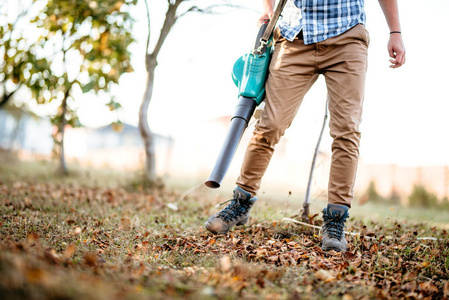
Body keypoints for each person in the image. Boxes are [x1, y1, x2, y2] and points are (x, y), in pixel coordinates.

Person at [205, 0, 406, 252]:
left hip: (347, 37)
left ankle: (335, 220)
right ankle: (241, 202)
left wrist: (395, 31)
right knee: (270, 124)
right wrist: (268, 9)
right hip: (293, 36)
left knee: (346, 130)